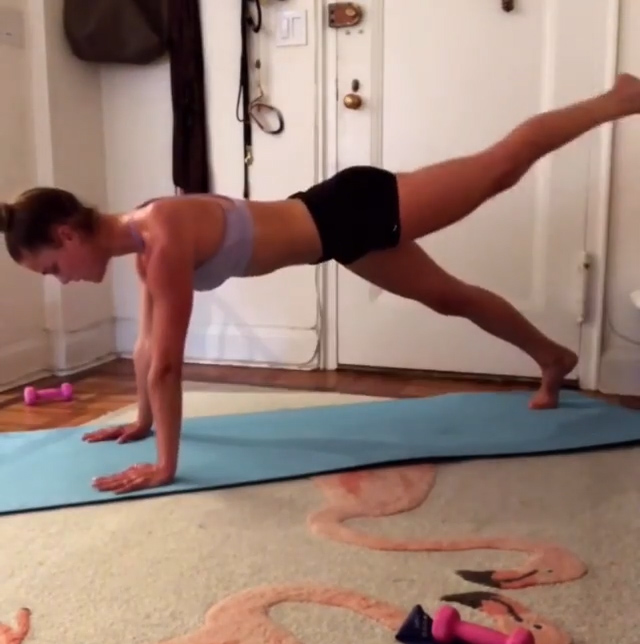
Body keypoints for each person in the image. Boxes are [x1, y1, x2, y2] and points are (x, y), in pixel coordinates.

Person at [2, 73, 639, 495]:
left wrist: (165, 465)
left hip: (350, 209)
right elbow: (148, 350)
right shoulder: (146, 249)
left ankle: (620, 98)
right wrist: (142, 423)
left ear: (65, 234)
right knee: (451, 298)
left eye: (52, 268)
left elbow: (167, 364)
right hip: (338, 236)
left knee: (498, 167)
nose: (63, 281)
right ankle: (552, 358)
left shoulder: (160, 234)